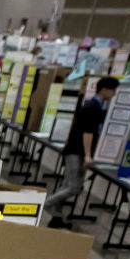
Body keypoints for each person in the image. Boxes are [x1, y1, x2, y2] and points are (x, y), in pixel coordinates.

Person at [48, 76, 118, 229]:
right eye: (113, 90)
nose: (114, 93)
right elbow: (88, 133)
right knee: (74, 187)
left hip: (74, 149)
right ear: (104, 89)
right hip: (76, 151)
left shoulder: (93, 105)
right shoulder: (92, 107)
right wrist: (87, 155)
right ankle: (47, 203)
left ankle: (57, 218)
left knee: (67, 185)